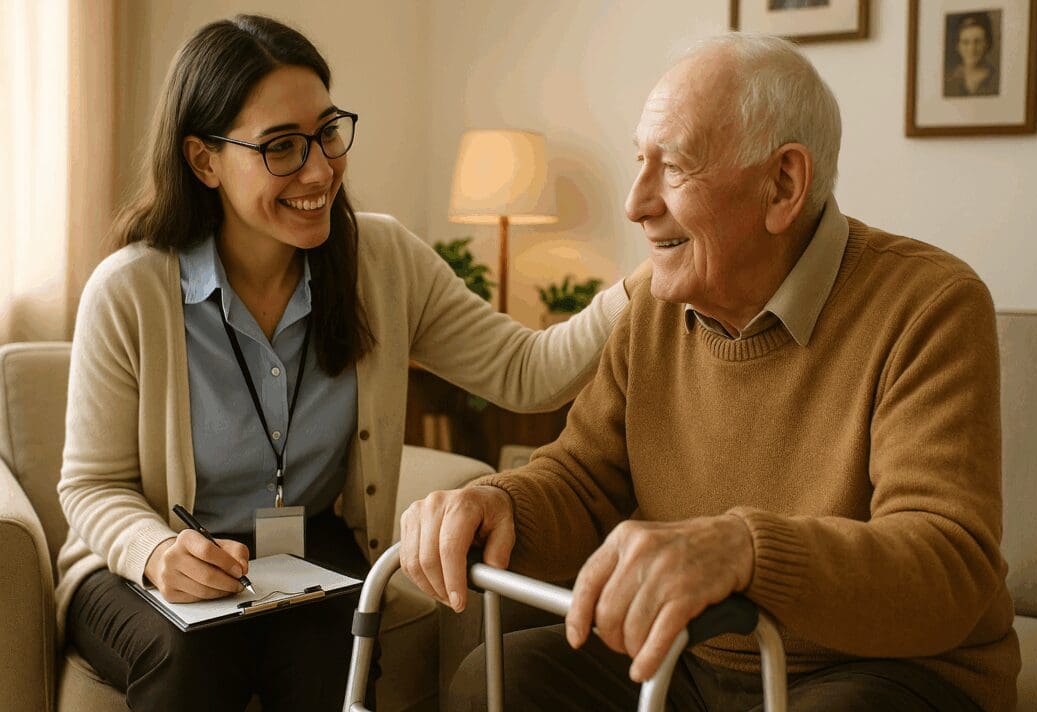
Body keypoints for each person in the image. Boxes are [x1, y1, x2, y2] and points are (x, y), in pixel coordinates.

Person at [400, 33, 1020, 712]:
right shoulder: (655, 307)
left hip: (879, 669)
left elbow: (945, 565)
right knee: (495, 681)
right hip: (693, 656)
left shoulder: (929, 303)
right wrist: (500, 503)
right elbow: (582, 481)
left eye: (673, 168)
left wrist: (746, 550)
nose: (636, 203)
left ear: (784, 183)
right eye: (641, 161)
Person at [56, 14, 643, 712]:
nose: (318, 170)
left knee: (335, 648)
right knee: (192, 655)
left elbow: (526, 370)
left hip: (302, 551)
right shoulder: (129, 290)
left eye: (327, 134)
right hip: (137, 565)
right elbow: (90, 486)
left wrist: (642, 286)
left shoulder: (382, 263)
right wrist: (157, 554)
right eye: (280, 148)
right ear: (203, 160)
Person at [944, 13, 1000, 97]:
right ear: (958, 46)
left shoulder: (997, 80)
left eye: (978, 42)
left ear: (987, 44)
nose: (972, 49)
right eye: (965, 42)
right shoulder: (948, 81)